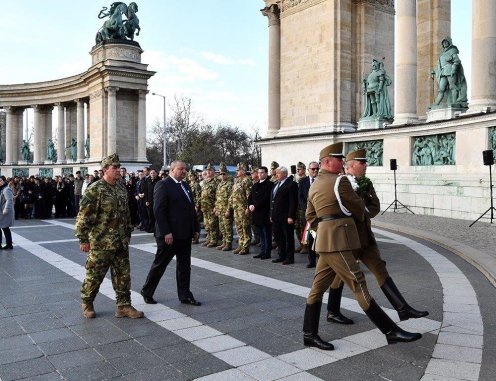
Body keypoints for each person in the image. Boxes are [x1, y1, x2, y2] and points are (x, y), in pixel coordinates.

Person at [303, 142, 421, 351]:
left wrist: (324, 231)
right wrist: (344, 222)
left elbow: (310, 216)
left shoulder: (314, 185)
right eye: (339, 159)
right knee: (358, 283)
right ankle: (390, 331)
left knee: (317, 288)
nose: (342, 162)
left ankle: (309, 334)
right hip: (339, 240)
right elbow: (359, 209)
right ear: (327, 162)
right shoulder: (340, 182)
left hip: (325, 241)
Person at [326, 149, 429, 324]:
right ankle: (332, 311)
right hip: (349, 239)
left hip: (365, 238)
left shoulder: (366, 182)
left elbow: (375, 205)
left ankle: (403, 309)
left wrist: (364, 212)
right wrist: (357, 212)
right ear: (351, 165)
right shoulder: (339, 183)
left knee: (380, 269)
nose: (366, 166)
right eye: (362, 163)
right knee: (339, 276)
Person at [75, 153, 144, 319]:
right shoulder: (95, 189)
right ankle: (87, 302)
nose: (118, 170)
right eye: (114, 168)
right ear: (105, 170)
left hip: (120, 241)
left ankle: (123, 306)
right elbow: (84, 216)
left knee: (123, 275)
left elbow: (126, 214)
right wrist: (83, 239)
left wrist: (127, 232)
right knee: (94, 275)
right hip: (101, 243)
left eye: (119, 167)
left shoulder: (120, 188)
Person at [141, 160, 201, 306]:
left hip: (185, 233)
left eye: (185, 169)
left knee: (185, 266)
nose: (184, 171)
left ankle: (185, 295)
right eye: (181, 169)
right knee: (160, 265)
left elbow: (191, 209)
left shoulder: (185, 185)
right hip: (170, 235)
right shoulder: (163, 185)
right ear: (172, 170)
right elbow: (159, 210)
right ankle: (147, 291)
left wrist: (196, 229)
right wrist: (166, 232)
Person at [270, 166, 298, 265]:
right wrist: (271, 214)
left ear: (285, 174)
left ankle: (290, 257)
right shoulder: (276, 184)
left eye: (278, 173)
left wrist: (291, 216)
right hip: (276, 216)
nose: (276, 175)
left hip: (286, 216)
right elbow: (272, 201)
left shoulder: (291, 184)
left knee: (288, 237)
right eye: (276, 173)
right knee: (278, 237)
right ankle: (281, 255)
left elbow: (293, 202)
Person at [433, 37, 468, 107]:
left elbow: (457, 61)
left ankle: (454, 102)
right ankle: (436, 104)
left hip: (450, 71)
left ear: (449, 42)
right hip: (443, 72)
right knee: (441, 89)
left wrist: (454, 70)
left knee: (453, 87)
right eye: (443, 42)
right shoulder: (442, 54)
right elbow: (440, 64)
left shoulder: (452, 50)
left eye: (446, 42)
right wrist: (435, 71)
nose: (445, 43)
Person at [248, 166, 273, 259]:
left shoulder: (270, 184)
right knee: (260, 234)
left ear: (266, 173)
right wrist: (249, 205)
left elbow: (266, 198)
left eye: (262, 172)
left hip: (264, 213)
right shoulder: (255, 184)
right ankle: (262, 251)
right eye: (258, 173)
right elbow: (250, 197)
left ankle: (267, 252)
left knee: (266, 233)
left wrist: (255, 205)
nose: (260, 174)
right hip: (256, 213)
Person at [298, 161, 319, 268]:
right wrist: (307, 208)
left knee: (320, 238)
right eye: (313, 169)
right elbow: (300, 197)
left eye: (317, 169)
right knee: (310, 238)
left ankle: (321, 260)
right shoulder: (303, 181)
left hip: (320, 215)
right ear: (308, 170)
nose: (315, 171)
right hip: (308, 215)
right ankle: (312, 261)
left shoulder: (322, 181)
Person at [229, 163, 252, 255]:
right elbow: (233, 195)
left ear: (243, 171)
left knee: (245, 227)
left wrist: (247, 207)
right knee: (239, 227)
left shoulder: (247, 180)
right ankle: (241, 244)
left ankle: (246, 246)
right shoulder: (237, 181)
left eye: (238, 170)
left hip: (243, 208)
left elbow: (249, 196)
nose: (236, 172)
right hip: (236, 208)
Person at [214, 163, 233, 251]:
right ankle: (224, 242)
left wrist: (228, 210)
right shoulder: (220, 184)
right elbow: (217, 198)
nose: (222, 175)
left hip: (226, 209)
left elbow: (230, 199)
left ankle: (228, 243)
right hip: (220, 210)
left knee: (227, 227)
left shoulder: (229, 184)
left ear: (227, 174)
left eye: (223, 174)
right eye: (220, 174)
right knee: (222, 228)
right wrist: (216, 208)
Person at [201, 163, 220, 247]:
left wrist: (216, 206)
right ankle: (209, 238)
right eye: (207, 170)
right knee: (207, 224)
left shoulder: (216, 181)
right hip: (205, 207)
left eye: (210, 170)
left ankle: (214, 240)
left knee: (213, 224)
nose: (208, 172)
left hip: (212, 206)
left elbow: (218, 195)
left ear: (213, 171)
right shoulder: (205, 181)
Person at [0, 176, 15, 250]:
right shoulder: (2, 189)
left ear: (4, 181)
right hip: (1, 212)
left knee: (5, 228)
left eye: (0, 181)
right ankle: (9, 244)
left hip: (4, 212)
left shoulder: (6, 189)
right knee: (4, 228)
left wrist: (6, 209)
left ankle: (9, 244)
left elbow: (9, 200)